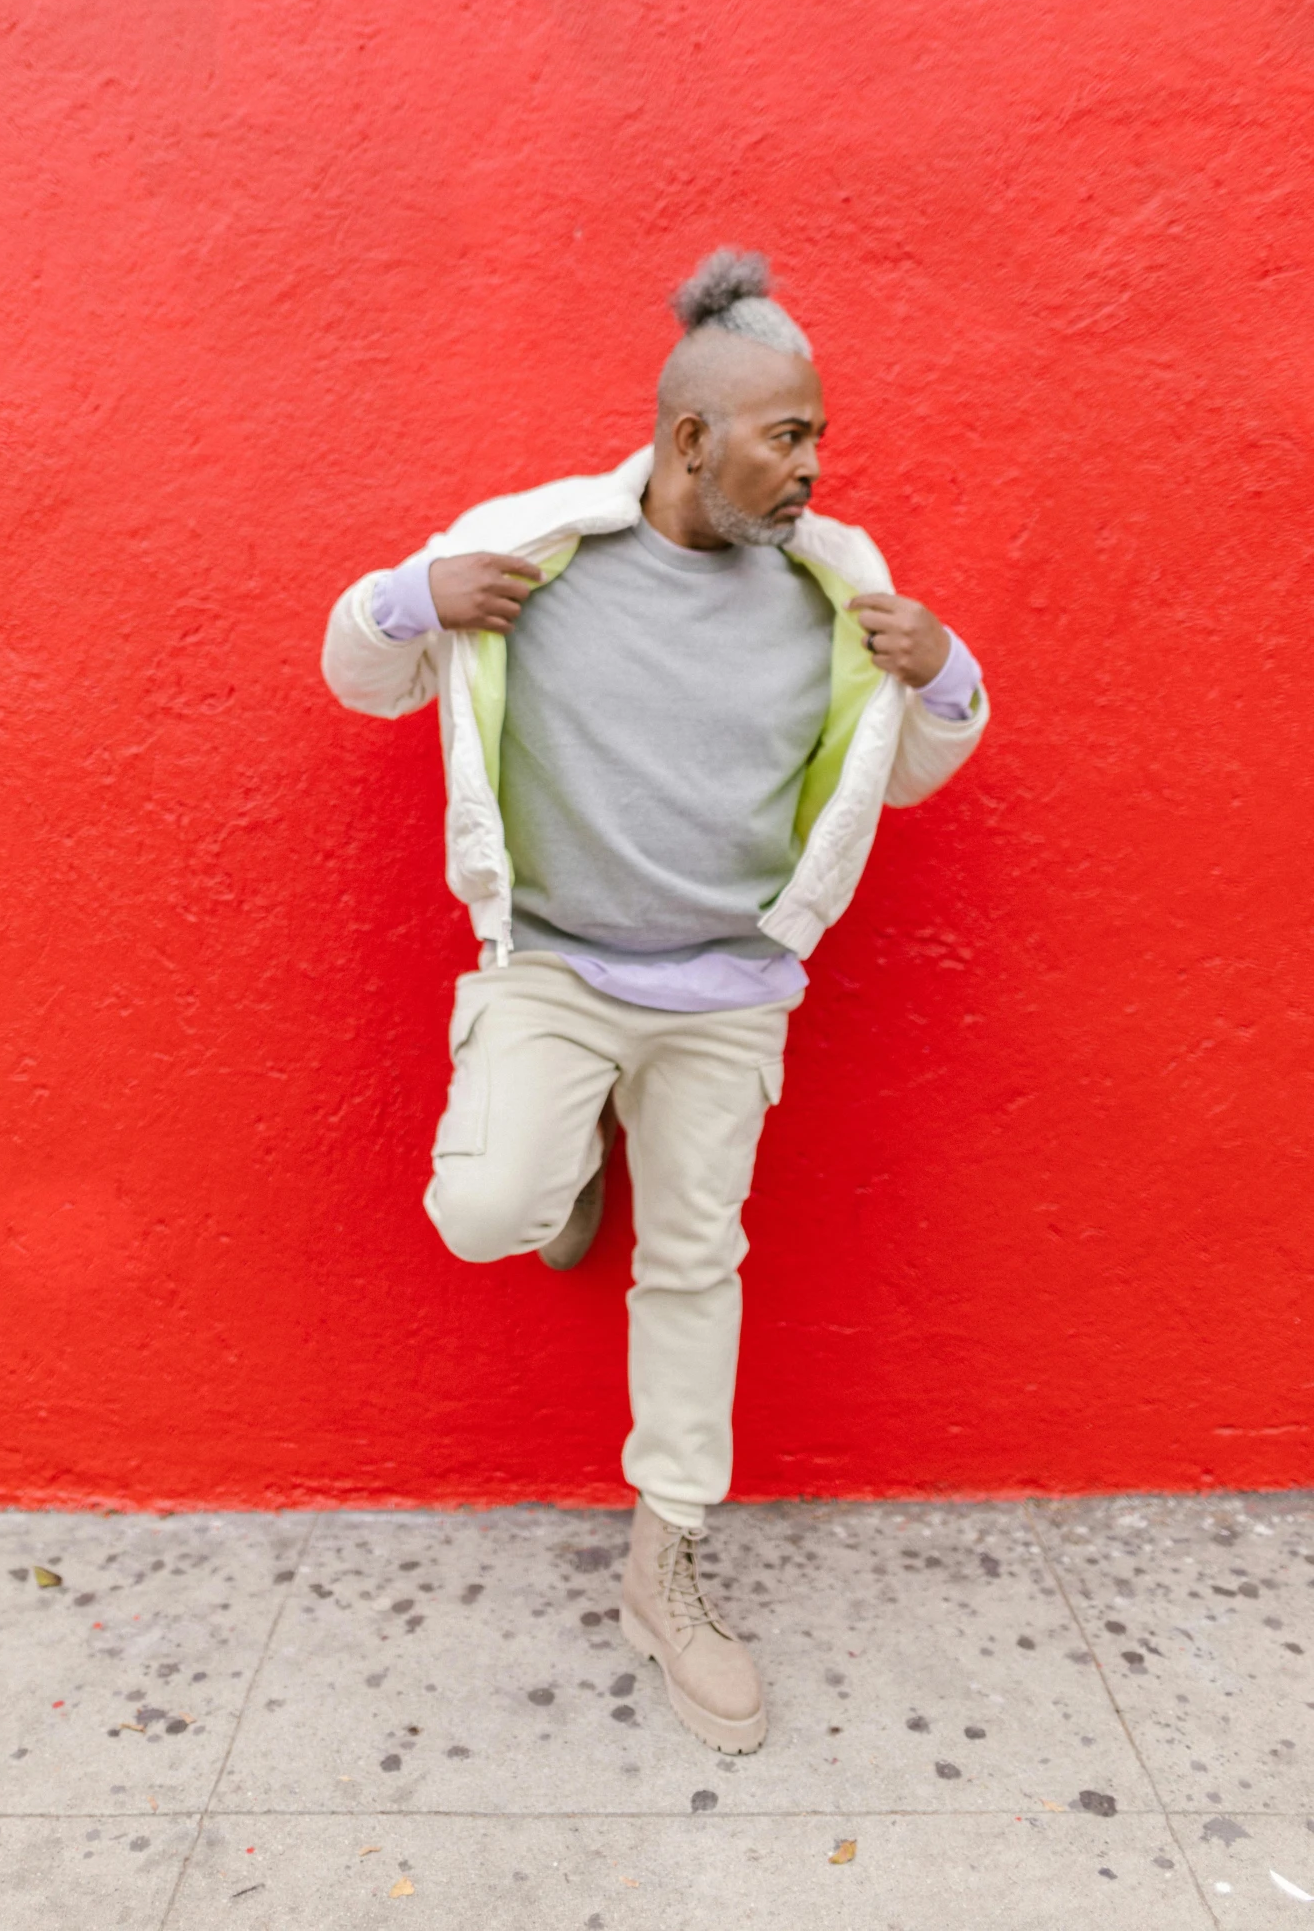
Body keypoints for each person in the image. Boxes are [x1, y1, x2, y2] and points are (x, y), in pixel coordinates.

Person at [321, 250, 989, 1753]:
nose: (815, 463)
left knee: (695, 1260)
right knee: (483, 1208)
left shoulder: (837, 584)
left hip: (727, 990)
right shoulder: (532, 549)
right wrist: (404, 595)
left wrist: (943, 674)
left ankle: (664, 1558)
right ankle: (558, 1154)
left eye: (816, 434)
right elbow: (361, 673)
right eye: (788, 434)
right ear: (693, 440)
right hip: (554, 962)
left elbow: (920, 762)